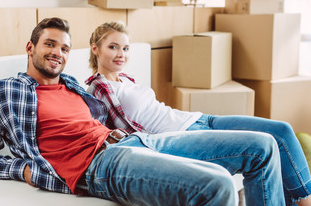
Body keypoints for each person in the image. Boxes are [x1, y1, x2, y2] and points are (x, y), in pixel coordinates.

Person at [86, 21, 311, 206]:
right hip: (183, 136)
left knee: (281, 130)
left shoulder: (126, 79)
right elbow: (100, 133)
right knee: (266, 146)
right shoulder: (97, 89)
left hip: (197, 119)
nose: (121, 54)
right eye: (113, 47)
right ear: (95, 48)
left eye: (125, 48)